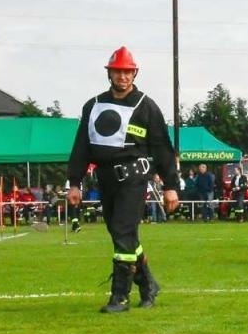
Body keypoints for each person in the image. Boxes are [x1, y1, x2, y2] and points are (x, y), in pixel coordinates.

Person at [66, 47, 180, 313]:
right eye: (118, 71)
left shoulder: (146, 106)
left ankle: (120, 296)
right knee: (121, 234)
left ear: (135, 73)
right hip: (105, 180)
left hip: (134, 179)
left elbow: (163, 147)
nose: (123, 77)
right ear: (110, 73)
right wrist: (74, 182)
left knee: (122, 230)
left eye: (128, 72)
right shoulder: (92, 105)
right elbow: (81, 146)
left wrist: (171, 186)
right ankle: (148, 284)